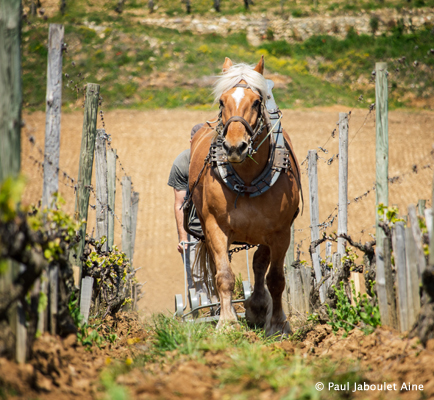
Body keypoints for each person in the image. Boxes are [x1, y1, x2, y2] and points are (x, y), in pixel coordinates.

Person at [167, 123, 208, 296]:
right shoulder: (182, 163)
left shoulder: (219, 161)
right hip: (192, 225)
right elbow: (180, 204)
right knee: (195, 273)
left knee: (218, 269)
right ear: (192, 141)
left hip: (216, 223)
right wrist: (183, 239)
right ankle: (199, 311)